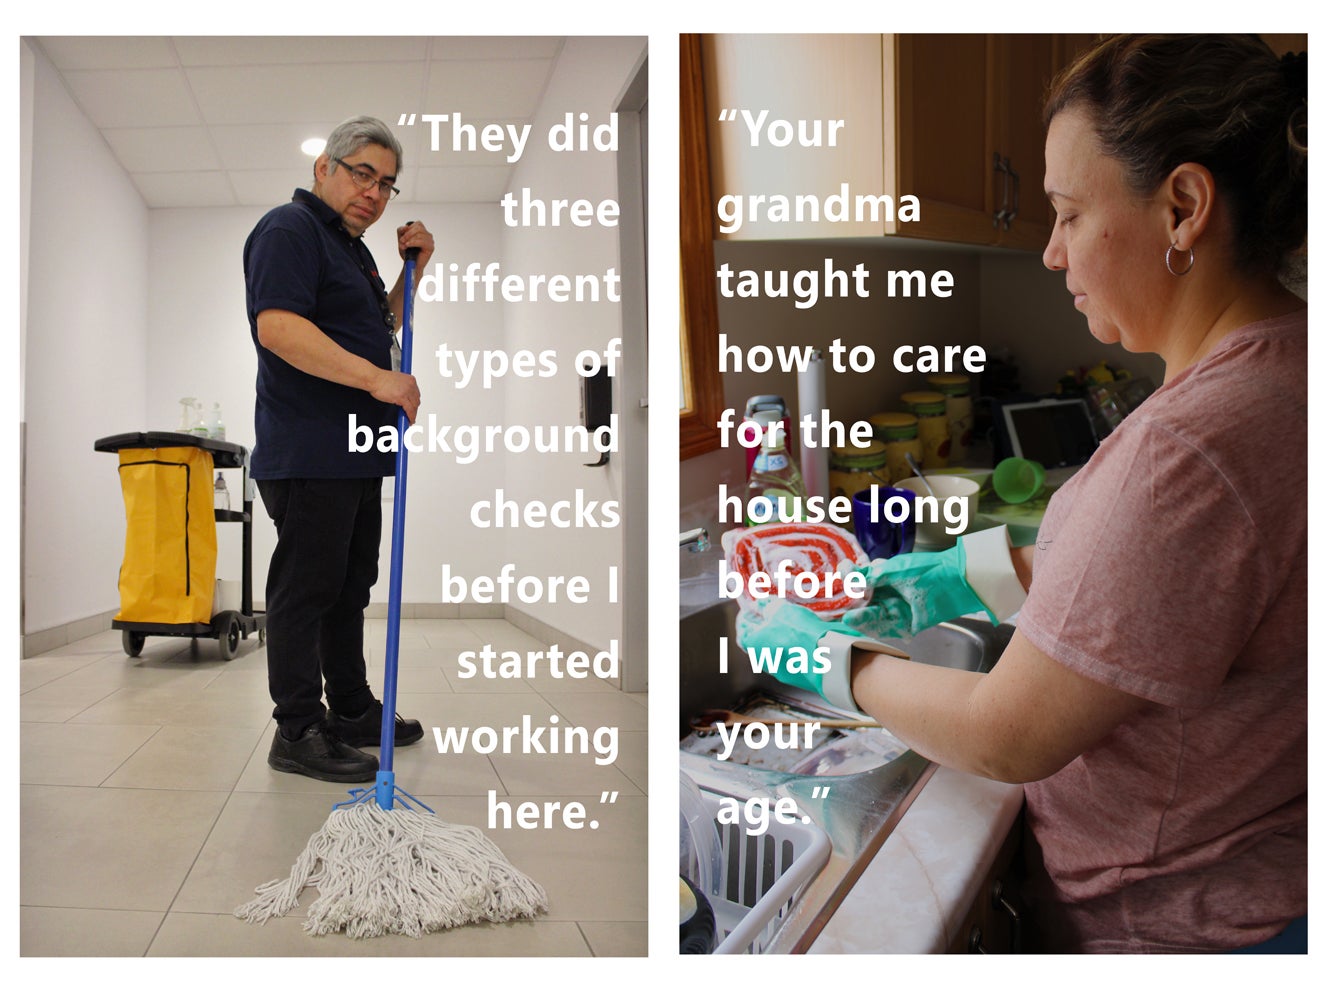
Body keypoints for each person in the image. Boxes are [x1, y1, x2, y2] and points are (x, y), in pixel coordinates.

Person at [743, 35, 1307, 952]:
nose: (1050, 252)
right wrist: (963, 572)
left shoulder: (1195, 442)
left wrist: (835, 659)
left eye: (1069, 214)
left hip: (1186, 933)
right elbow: (1157, 584)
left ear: (1185, 207)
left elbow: (1011, 738)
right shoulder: (1285, 369)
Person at [244, 115, 435, 782]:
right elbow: (279, 328)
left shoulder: (353, 250)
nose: (374, 193)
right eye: (362, 173)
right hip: (309, 447)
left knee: (349, 585)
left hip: (356, 447)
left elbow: (375, 329)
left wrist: (415, 273)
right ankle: (296, 730)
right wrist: (381, 380)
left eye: (387, 184)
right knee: (307, 590)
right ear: (324, 167)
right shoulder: (288, 229)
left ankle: (350, 707)